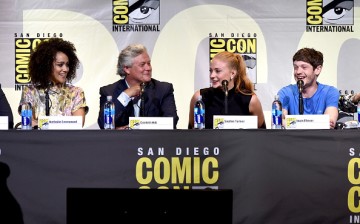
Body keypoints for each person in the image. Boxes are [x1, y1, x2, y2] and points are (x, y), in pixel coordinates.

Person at [97, 43, 179, 129]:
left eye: (149, 63)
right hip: (122, 142)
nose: (148, 68)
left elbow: (171, 122)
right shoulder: (108, 91)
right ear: (127, 69)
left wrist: (132, 127)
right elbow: (104, 124)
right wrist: (125, 96)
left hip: (153, 142)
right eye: (142, 64)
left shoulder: (163, 89)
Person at [19, 38, 88, 127]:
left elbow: (78, 124)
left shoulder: (76, 92)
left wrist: (44, 124)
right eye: (60, 65)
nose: (66, 69)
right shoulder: (30, 91)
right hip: (38, 140)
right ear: (46, 66)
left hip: (66, 140)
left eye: (67, 65)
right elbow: (28, 123)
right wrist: (62, 124)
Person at [188, 51, 266, 129]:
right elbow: (192, 134)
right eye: (210, 70)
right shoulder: (200, 97)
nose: (212, 75)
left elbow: (263, 135)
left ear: (232, 73)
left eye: (217, 71)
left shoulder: (250, 100)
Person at [277, 47, 339, 129]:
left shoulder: (330, 92)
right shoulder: (285, 93)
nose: (298, 72)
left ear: (317, 69)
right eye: (296, 67)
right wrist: (317, 123)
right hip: (292, 141)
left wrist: (291, 123)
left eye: (304, 67)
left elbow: (330, 124)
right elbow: (277, 121)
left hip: (320, 141)